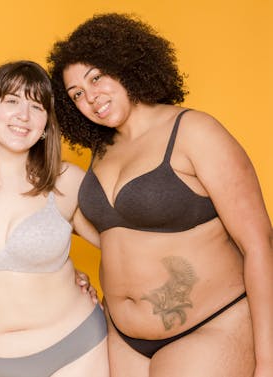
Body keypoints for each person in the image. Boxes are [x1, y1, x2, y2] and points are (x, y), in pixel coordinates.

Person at [47, 13, 273, 377]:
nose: (91, 97)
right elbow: (111, 236)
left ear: (124, 65)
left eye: (97, 77)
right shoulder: (102, 151)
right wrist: (59, 274)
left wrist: (268, 360)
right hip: (123, 338)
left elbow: (259, 244)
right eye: (77, 94)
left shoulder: (194, 131)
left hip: (208, 326)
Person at [0, 60, 109, 377]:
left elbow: (124, 248)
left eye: (36, 106)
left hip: (75, 348)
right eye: (12, 101)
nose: (23, 116)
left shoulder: (67, 181)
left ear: (47, 123)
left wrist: (119, 302)